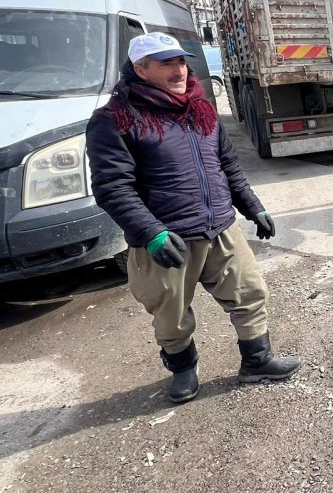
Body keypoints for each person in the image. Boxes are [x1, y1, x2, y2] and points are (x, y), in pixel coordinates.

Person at [86, 32, 301, 403]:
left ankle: (257, 361)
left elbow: (227, 165)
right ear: (141, 69)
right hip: (166, 238)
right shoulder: (115, 119)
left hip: (220, 226)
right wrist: (150, 232)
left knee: (250, 294)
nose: (179, 69)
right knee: (170, 316)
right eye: (166, 63)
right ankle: (184, 371)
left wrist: (252, 205)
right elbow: (112, 187)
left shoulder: (201, 109)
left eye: (181, 61)